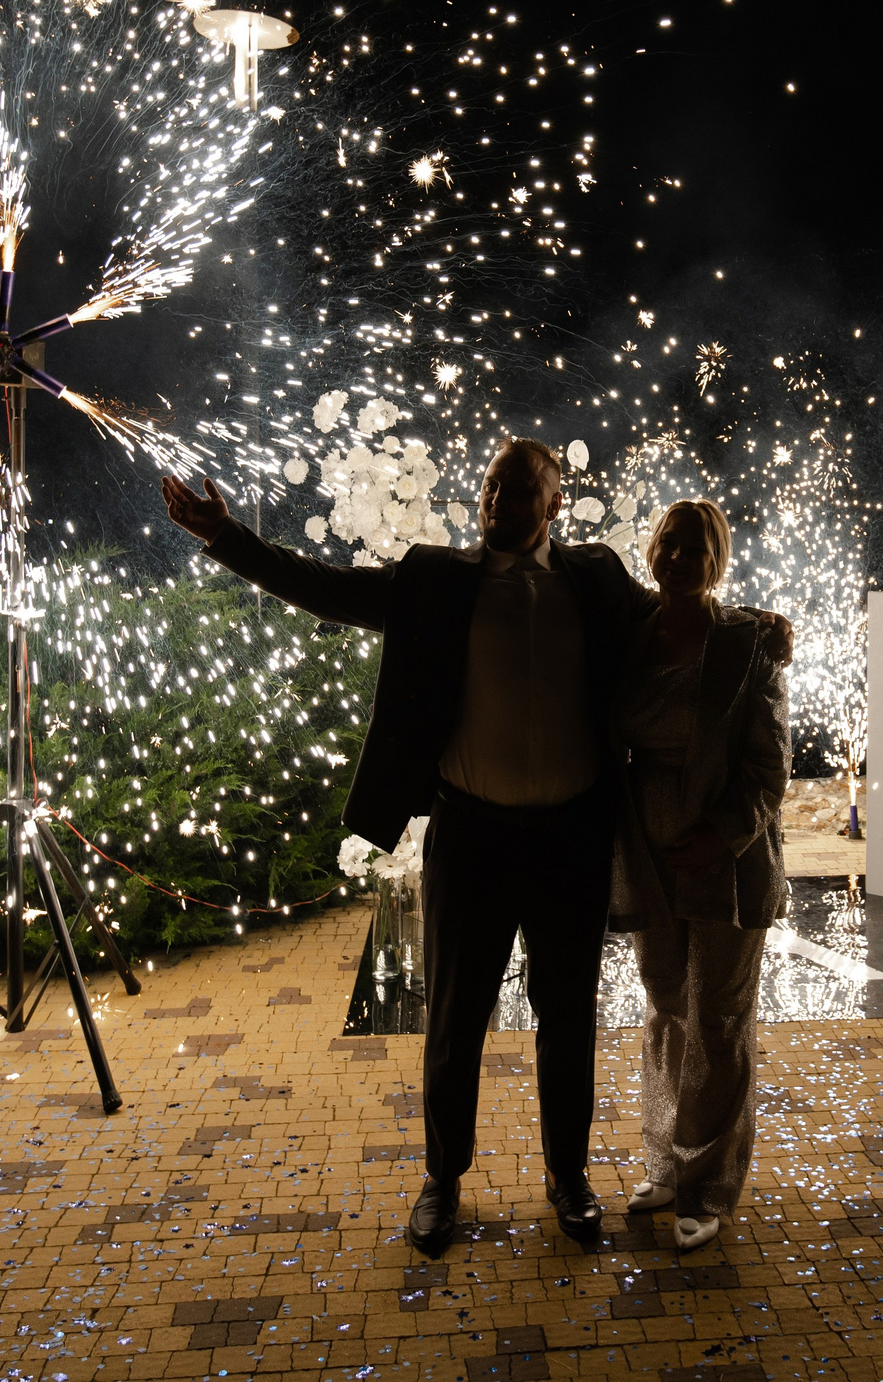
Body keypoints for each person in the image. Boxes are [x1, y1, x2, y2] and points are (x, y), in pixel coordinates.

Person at [162, 443, 785, 1257]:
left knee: (570, 1020)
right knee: (455, 1019)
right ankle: (441, 1181)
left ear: (555, 501)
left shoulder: (594, 578)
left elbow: (683, 611)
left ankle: (569, 1178)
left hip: (571, 837)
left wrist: (759, 625)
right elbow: (326, 589)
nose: (499, 497)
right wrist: (228, 538)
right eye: (493, 484)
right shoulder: (434, 577)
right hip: (471, 834)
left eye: (522, 487)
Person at [607, 499, 789, 1253]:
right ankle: (663, 1158)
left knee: (717, 1022)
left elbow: (769, 764)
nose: (679, 557)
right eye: (669, 543)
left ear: (719, 558)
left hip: (727, 861)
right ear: (652, 549)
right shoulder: (629, 636)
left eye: (697, 546)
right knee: (664, 1010)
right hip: (647, 857)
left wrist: (719, 837)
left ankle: (707, 1186)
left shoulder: (748, 644)